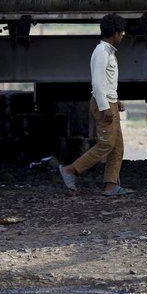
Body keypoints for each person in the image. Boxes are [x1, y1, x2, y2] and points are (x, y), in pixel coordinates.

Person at [57, 13, 133, 196]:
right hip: (104, 105)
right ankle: (70, 170)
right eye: (122, 33)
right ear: (115, 33)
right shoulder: (101, 53)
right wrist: (105, 107)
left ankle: (111, 186)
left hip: (110, 102)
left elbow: (107, 82)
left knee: (117, 146)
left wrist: (116, 101)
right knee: (107, 144)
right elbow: (97, 84)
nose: (122, 36)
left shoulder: (107, 52)